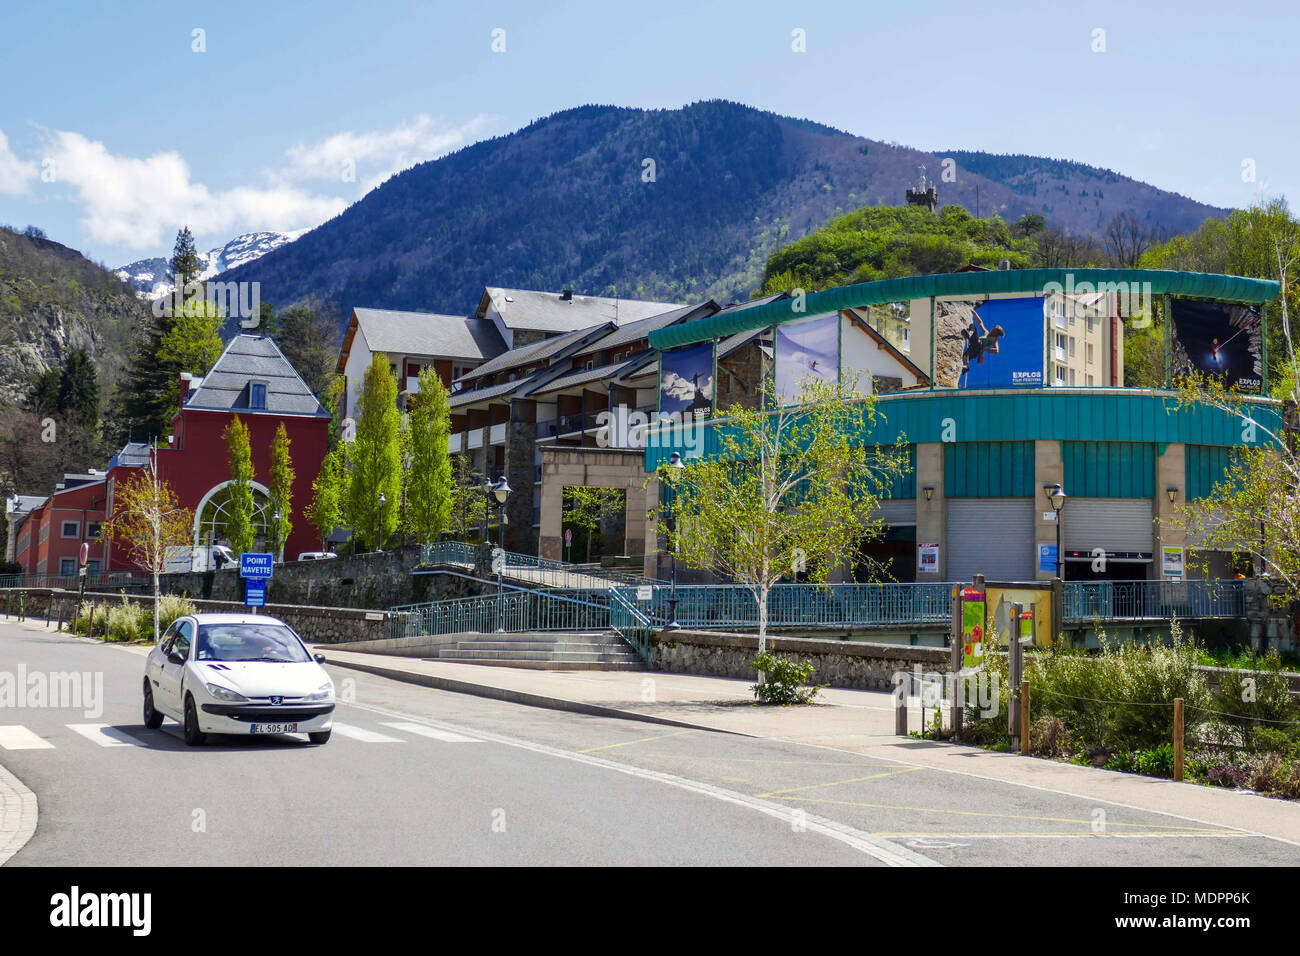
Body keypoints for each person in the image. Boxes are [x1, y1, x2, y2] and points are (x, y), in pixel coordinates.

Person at [960, 312, 1005, 387]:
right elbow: (980, 323)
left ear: (995, 331)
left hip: (978, 346)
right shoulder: (986, 333)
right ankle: (966, 366)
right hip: (974, 349)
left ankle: (970, 334)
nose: (992, 328)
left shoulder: (994, 339)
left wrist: (984, 350)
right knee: (965, 356)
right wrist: (974, 313)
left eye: (994, 328)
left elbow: (996, 350)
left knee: (973, 326)